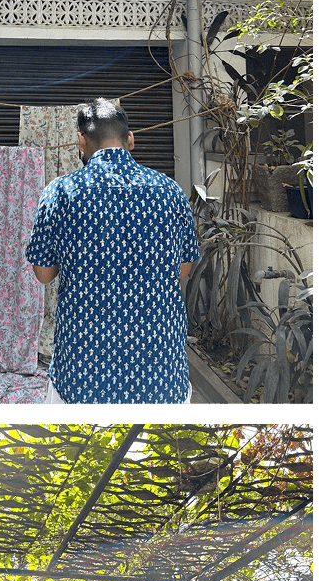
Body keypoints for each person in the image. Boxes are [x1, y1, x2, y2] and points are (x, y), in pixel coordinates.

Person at [24, 99, 199, 403]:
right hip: (160, 373)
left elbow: (43, 273)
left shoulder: (60, 193)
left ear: (81, 141)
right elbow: (183, 268)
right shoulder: (170, 191)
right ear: (130, 139)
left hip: (82, 374)